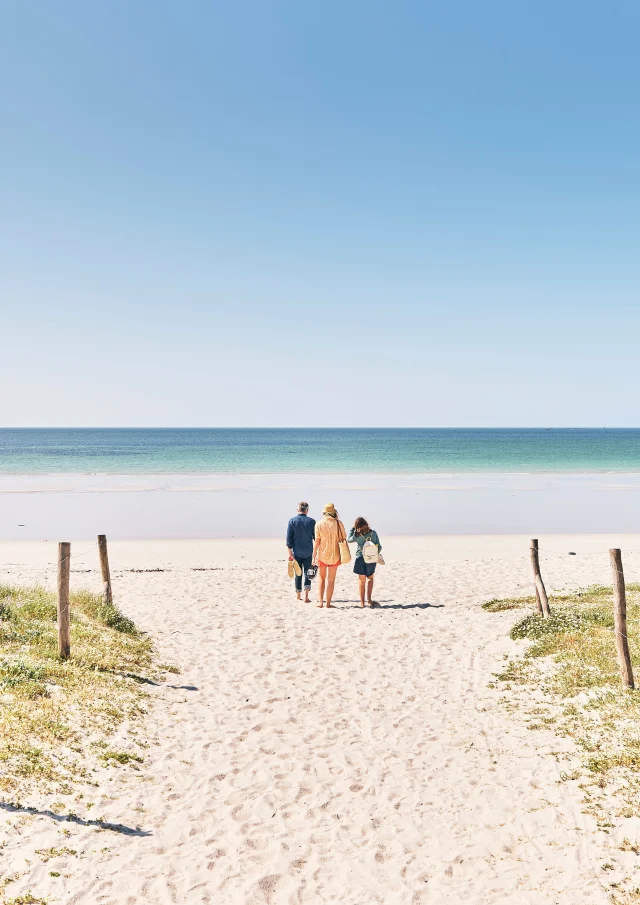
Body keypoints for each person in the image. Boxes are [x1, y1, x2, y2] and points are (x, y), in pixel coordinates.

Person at [312, 502, 346, 609]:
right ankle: (328, 603)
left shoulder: (319, 524)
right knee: (331, 580)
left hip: (322, 554)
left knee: (321, 578)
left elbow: (317, 541)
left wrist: (314, 555)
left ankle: (320, 602)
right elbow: (343, 538)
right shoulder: (339, 523)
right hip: (335, 555)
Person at [348, 517, 382, 607]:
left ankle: (362, 603)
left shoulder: (357, 535)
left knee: (361, 581)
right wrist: (374, 554)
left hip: (360, 558)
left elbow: (348, 539)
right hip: (371, 559)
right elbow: (380, 547)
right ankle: (369, 600)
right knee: (370, 579)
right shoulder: (373, 533)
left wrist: (352, 529)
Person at [286, 502, 316, 602]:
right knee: (308, 573)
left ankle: (298, 595)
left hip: (296, 552)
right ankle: (306, 596)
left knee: (298, 573)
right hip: (308, 551)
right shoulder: (311, 521)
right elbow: (316, 537)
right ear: (307, 510)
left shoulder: (292, 521)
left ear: (297, 510)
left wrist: (290, 553)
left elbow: (288, 539)